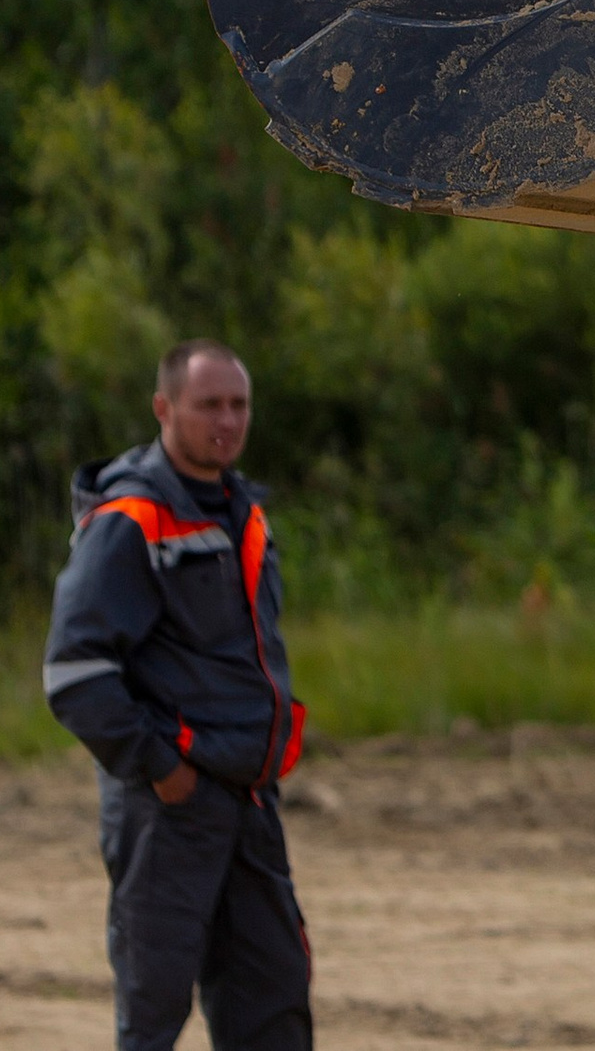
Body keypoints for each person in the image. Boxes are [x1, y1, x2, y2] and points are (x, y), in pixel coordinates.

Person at [44, 339, 310, 1051]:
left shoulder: (242, 511)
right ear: (165, 409)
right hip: (169, 810)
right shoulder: (130, 519)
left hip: (250, 801)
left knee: (275, 1006)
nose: (227, 420)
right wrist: (164, 770)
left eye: (238, 404)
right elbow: (74, 673)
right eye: (208, 405)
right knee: (154, 1015)